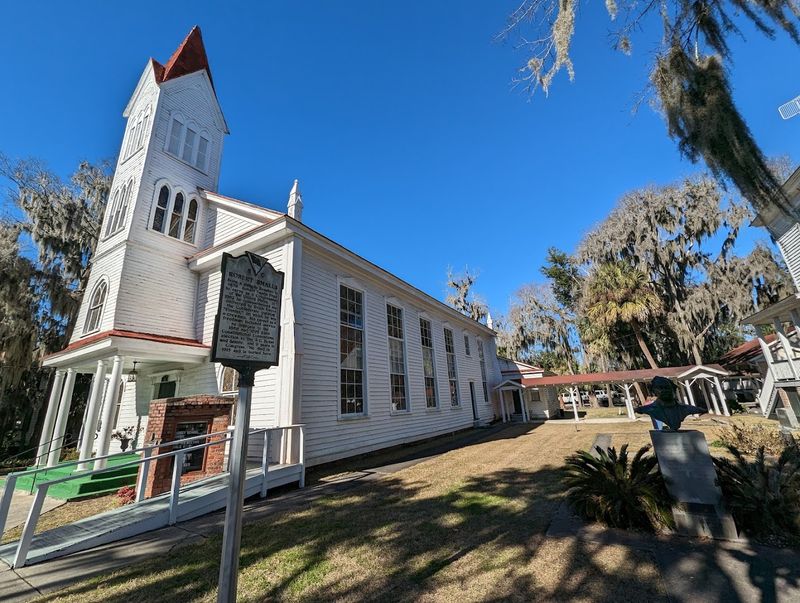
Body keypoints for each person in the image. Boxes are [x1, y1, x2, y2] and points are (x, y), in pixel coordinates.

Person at [636, 376, 704, 431]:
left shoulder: (687, 409)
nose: (665, 391)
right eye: (660, 388)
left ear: (673, 390)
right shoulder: (649, 409)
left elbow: (700, 410)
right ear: (654, 391)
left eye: (667, 387)